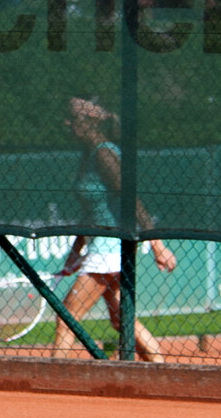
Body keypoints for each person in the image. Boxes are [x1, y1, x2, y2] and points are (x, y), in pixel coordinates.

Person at [51, 97, 176, 364]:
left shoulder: (104, 155)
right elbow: (90, 212)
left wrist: (158, 245)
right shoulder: (88, 155)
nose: (66, 123)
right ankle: (162, 371)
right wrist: (76, 251)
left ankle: (52, 378)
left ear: (89, 123)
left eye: (72, 118)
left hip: (109, 250)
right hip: (104, 247)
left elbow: (130, 198)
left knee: (67, 317)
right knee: (122, 320)